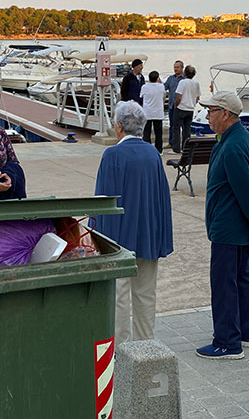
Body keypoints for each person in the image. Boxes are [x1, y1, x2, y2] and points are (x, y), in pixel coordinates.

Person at [194, 91, 249, 360]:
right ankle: (245, 333)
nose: (207, 115)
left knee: (225, 283)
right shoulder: (234, 139)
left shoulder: (234, 145)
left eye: (211, 111)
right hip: (234, 225)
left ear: (225, 113)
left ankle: (227, 342)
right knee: (240, 279)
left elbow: (247, 190)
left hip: (229, 226)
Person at [93, 101, 174, 345]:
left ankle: (120, 348)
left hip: (120, 237)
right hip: (148, 233)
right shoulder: (152, 153)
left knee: (118, 295)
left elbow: (104, 200)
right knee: (146, 293)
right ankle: (145, 344)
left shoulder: (113, 155)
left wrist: (97, 237)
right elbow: (162, 198)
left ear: (118, 126)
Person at [171, 65, 199, 153]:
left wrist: (176, 105)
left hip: (181, 107)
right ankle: (186, 147)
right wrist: (193, 104)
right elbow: (197, 98)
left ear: (185, 73)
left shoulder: (182, 82)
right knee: (187, 129)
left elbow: (179, 96)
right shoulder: (196, 83)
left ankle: (176, 148)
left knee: (176, 128)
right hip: (190, 109)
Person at [140, 70, 165, 153]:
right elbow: (164, 96)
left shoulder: (144, 87)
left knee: (147, 132)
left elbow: (141, 96)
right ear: (157, 78)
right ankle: (159, 149)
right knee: (158, 133)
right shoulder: (161, 86)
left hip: (147, 112)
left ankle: (147, 149)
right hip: (158, 112)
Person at [164, 60, 184, 148]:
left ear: (182, 68)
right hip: (172, 106)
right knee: (172, 125)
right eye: (175, 67)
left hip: (182, 106)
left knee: (183, 126)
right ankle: (171, 142)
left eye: (177, 67)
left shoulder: (185, 80)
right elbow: (164, 87)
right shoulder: (170, 78)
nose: (175, 69)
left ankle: (183, 143)